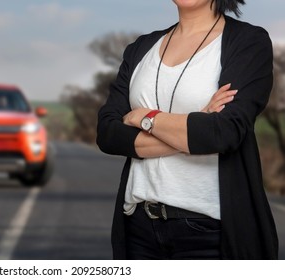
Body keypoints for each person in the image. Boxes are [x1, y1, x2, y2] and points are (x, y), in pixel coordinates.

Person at [96, 0, 278, 259]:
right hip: (138, 225)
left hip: (208, 230)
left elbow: (224, 133)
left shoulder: (248, 42)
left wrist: (144, 117)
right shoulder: (141, 48)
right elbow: (107, 133)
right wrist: (198, 123)